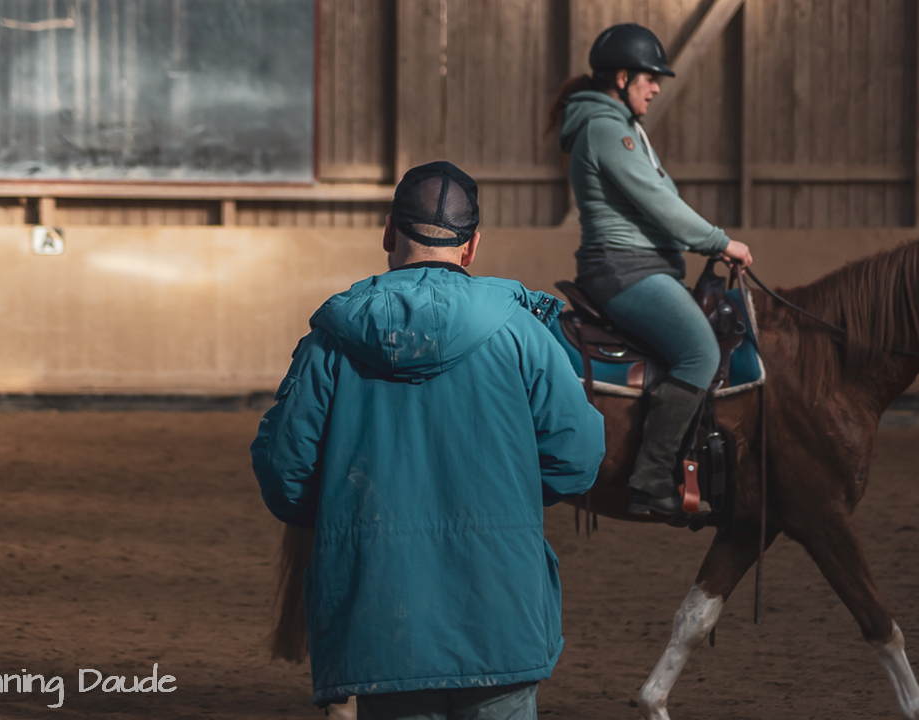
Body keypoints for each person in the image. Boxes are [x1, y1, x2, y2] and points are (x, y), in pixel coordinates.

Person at [251, 161, 606, 720]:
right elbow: (578, 459)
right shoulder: (525, 335)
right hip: (502, 619)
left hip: (380, 626)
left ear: (389, 231)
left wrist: (346, 513)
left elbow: (285, 475)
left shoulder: (330, 345)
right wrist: (505, 499)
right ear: (471, 247)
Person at [547, 23, 753, 518]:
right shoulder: (606, 129)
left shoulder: (618, 125)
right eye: (649, 78)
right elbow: (660, 203)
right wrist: (720, 242)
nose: (656, 88)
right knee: (700, 352)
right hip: (625, 270)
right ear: (622, 78)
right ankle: (652, 479)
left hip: (639, 266)